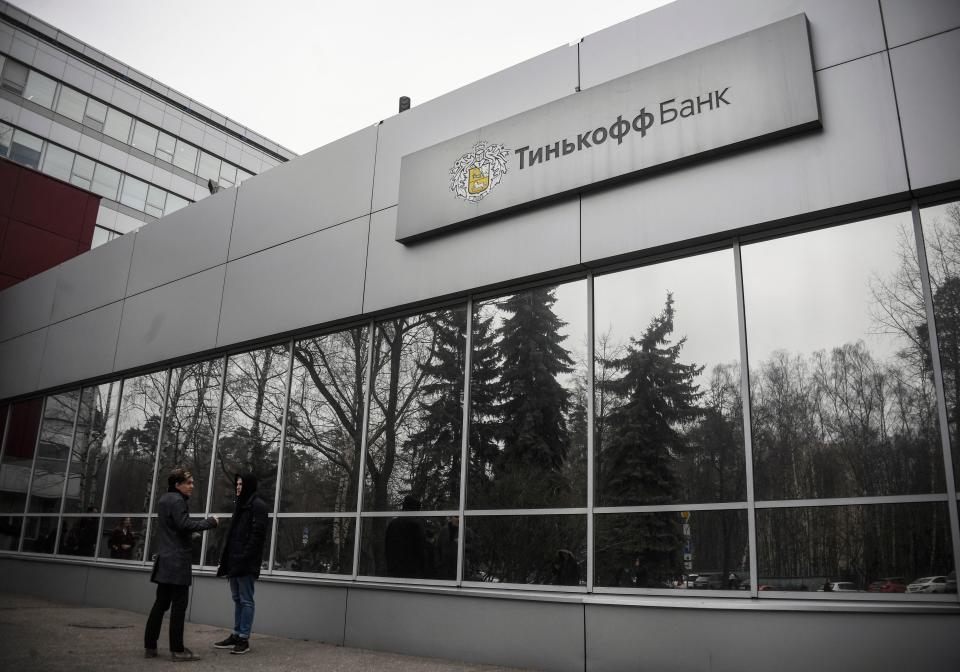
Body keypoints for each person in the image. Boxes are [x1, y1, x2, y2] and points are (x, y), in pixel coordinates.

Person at [144, 468, 218, 662]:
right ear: (177, 485)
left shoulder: (164, 500)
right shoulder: (177, 501)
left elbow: (174, 527)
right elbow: (184, 524)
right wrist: (210, 522)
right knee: (179, 606)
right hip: (177, 563)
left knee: (160, 604)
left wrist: (188, 534)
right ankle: (177, 650)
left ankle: (150, 646)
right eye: (188, 482)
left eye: (192, 482)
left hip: (165, 560)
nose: (192, 486)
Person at [214, 474, 268, 655]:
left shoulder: (257, 506)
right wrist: (227, 557)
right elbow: (233, 535)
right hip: (235, 560)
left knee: (246, 600)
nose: (238, 487)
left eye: (241, 484)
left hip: (246, 562)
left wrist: (244, 556)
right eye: (236, 484)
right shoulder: (240, 505)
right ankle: (236, 634)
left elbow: (258, 536)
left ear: (249, 486)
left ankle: (244, 638)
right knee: (237, 599)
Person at [384, 495, 428, 578]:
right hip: (412, 572)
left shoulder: (392, 524)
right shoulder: (416, 525)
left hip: (394, 570)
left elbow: (387, 547)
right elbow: (421, 549)